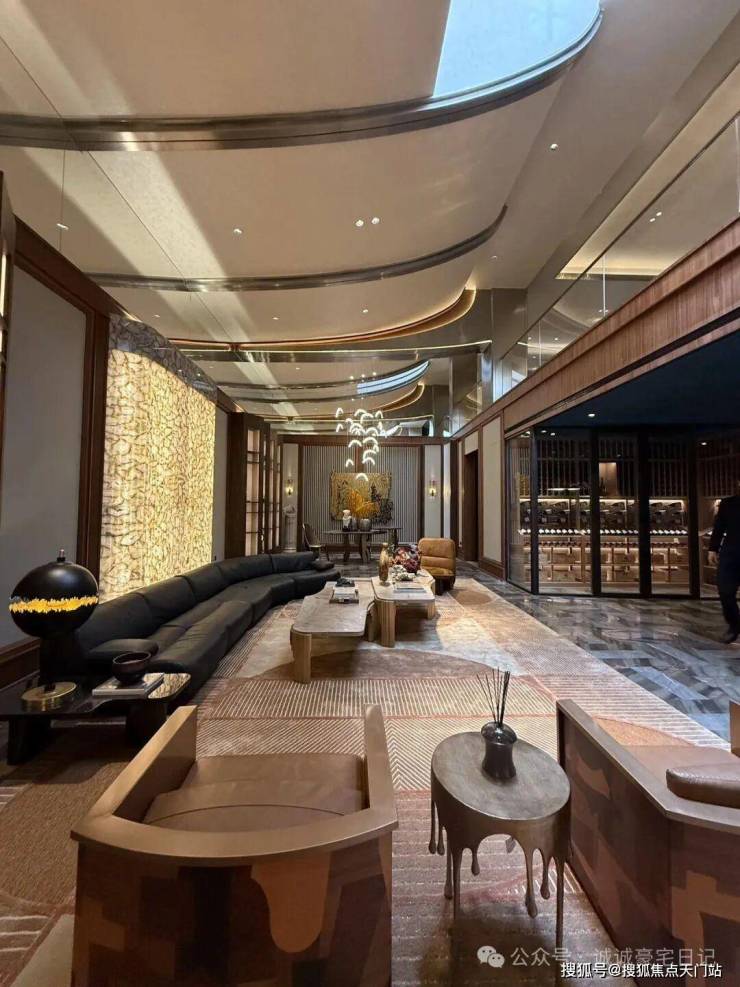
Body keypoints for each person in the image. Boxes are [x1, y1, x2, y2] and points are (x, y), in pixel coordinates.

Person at [708, 488, 740, 643]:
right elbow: (719, 527)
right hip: (731, 554)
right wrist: (713, 548)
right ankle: (734, 624)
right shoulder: (728, 503)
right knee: (725, 591)